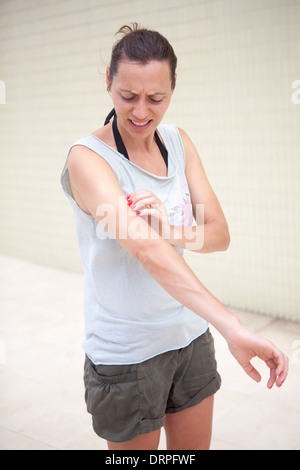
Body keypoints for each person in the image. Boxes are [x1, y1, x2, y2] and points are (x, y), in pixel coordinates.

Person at [61, 24, 288, 450]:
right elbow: (146, 251)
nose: (142, 112)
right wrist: (233, 327)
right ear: (108, 81)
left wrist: (169, 228)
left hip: (188, 336)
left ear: (173, 87)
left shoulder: (178, 143)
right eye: (127, 96)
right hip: (128, 356)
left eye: (156, 98)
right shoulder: (88, 160)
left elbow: (218, 234)